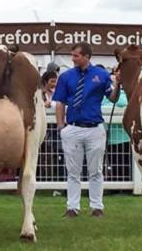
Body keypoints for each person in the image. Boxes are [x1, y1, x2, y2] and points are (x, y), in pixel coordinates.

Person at [52, 42, 121, 218]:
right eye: (72, 55)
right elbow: (60, 102)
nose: (72, 58)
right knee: (73, 171)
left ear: (87, 56)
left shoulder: (101, 75)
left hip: (94, 128)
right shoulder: (66, 77)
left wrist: (118, 84)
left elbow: (112, 98)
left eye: (76, 55)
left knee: (96, 170)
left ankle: (97, 206)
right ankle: (72, 207)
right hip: (73, 127)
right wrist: (61, 126)